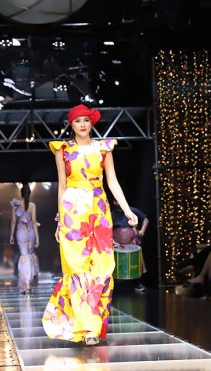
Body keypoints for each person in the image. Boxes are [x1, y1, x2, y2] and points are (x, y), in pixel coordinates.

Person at [42, 104, 138, 346]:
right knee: (77, 269)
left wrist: (127, 210)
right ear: (71, 124)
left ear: (91, 123)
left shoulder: (104, 148)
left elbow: (112, 182)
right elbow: (62, 186)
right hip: (73, 215)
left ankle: (92, 326)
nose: (82, 124)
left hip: (98, 213)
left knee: (102, 268)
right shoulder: (62, 150)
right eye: (78, 121)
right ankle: (87, 329)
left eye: (86, 120)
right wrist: (60, 220)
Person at [112, 198, 149, 291]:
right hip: (117, 243)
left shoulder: (131, 210)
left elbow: (145, 219)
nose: (118, 202)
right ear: (114, 202)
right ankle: (114, 287)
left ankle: (139, 284)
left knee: (137, 260)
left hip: (132, 241)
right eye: (116, 201)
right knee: (116, 262)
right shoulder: (112, 214)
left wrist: (142, 231)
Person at [10, 182, 40, 295]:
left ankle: (25, 285)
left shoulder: (16, 204)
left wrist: (11, 235)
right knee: (29, 255)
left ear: (21, 193)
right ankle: (29, 283)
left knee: (24, 256)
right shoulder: (32, 205)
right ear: (29, 193)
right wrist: (37, 238)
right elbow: (34, 222)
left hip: (21, 232)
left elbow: (13, 221)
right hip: (31, 232)